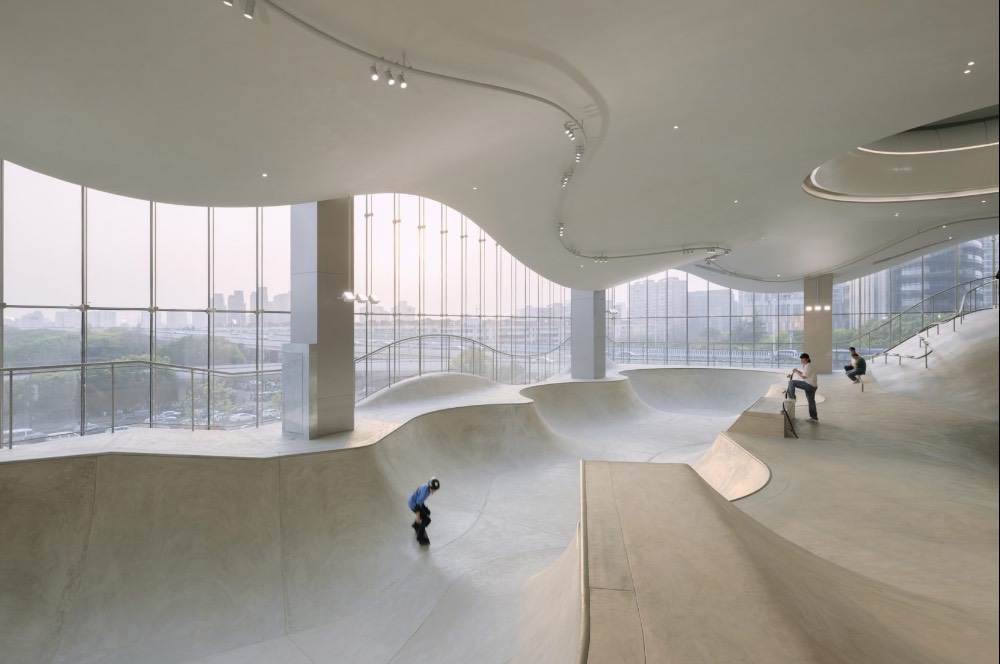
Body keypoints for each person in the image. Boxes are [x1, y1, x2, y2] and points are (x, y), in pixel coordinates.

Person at [786, 352, 819, 421]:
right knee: (811, 402)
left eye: (803, 358)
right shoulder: (808, 366)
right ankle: (814, 418)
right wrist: (797, 371)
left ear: (807, 359)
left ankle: (792, 398)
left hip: (809, 385)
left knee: (791, 382)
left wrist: (796, 371)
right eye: (801, 358)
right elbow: (804, 374)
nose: (801, 360)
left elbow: (803, 377)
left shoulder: (808, 366)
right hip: (813, 386)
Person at [408, 477, 440, 546]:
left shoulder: (426, 486)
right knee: (427, 519)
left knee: (427, 512)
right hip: (414, 504)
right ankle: (420, 537)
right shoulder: (425, 493)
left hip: (414, 501)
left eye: (435, 490)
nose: (434, 491)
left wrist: (424, 508)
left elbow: (419, 499)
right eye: (433, 489)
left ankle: (415, 525)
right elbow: (417, 505)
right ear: (430, 487)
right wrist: (418, 516)